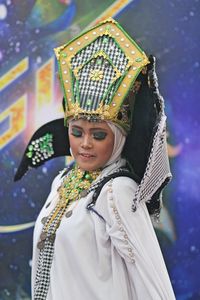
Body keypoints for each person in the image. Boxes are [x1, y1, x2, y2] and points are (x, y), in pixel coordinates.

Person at [15, 18, 176, 299]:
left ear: (119, 137)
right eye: (77, 132)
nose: (85, 144)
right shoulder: (62, 182)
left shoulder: (118, 191)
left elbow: (152, 281)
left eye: (99, 135)